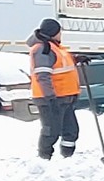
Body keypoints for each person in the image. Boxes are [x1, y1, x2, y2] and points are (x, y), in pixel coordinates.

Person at [27, 18, 82, 161]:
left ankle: (67, 159)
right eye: (59, 31)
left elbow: (59, 63)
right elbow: (42, 75)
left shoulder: (54, 47)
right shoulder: (42, 49)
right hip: (52, 98)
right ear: (53, 33)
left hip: (66, 97)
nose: (61, 34)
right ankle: (43, 160)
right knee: (51, 132)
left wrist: (76, 59)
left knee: (71, 131)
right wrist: (50, 98)